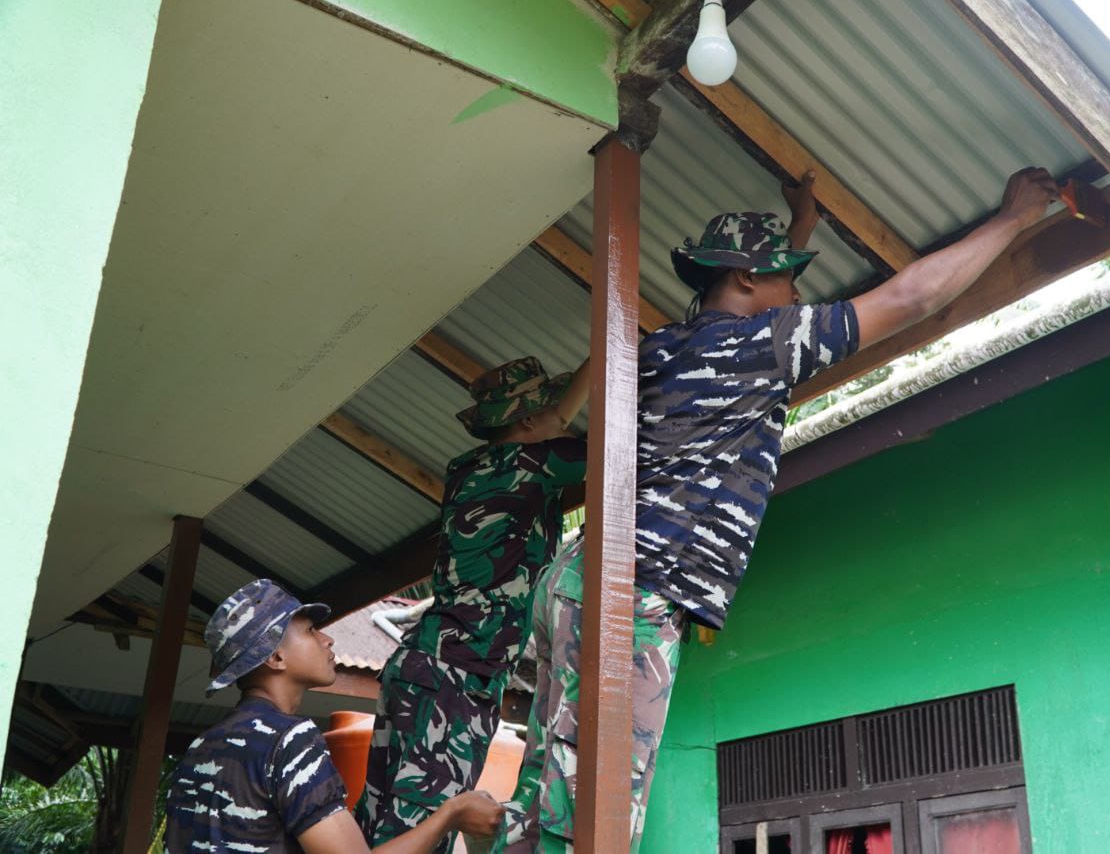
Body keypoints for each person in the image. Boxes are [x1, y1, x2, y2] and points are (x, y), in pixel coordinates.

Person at [495, 167, 1061, 852]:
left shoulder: (667, 348)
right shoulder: (760, 346)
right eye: (786, 279)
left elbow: (751, 296)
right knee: (595, 811)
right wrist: (1016, 219)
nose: (798, 296)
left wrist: (798, 230)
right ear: (743, 282)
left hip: (578, 579)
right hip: (632, 593)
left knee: (543, 797)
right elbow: (912, 296)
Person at [356, 356, 591, 850]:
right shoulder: (531, 464)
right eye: (549, 411)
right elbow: (615, 447)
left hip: (429, 669)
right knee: (421, 834)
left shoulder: (470, 468)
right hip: (452, 677)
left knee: (383, 829)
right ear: (529, 420)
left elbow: (560, 422)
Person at [164, 579, 502, 853]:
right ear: (276, 657)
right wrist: (451, 813)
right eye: (310, 630)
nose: (327, 639)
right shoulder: (288, 740)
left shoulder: (200, 748)